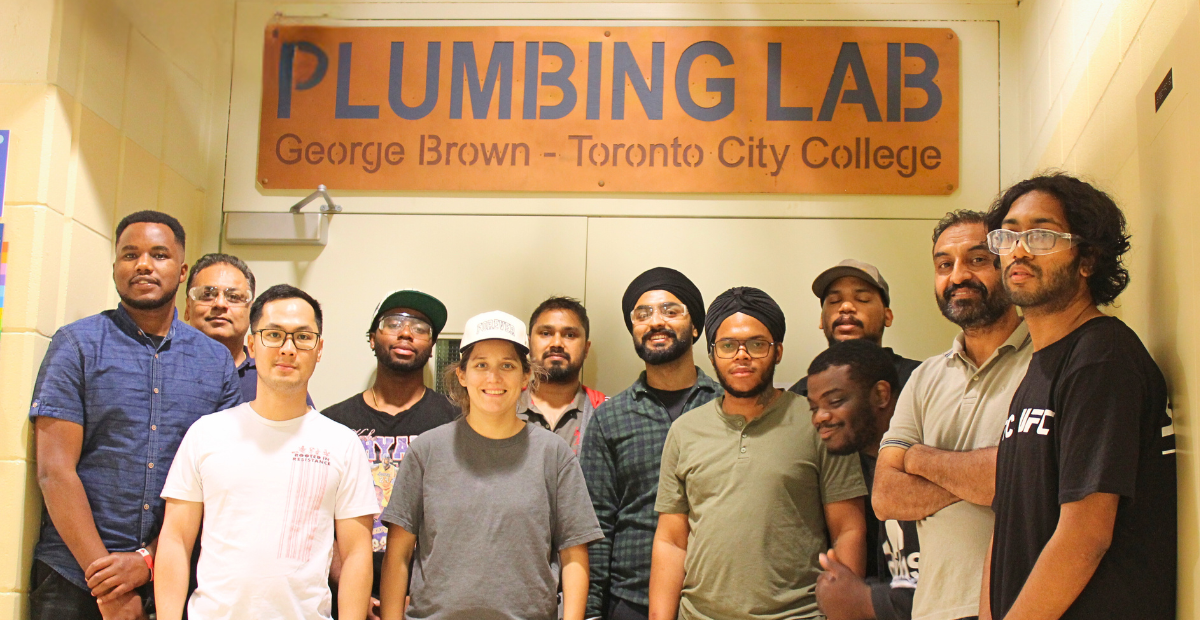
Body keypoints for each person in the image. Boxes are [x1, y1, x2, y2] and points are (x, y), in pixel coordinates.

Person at [28, 211, 242, 620]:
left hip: (169, 575)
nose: (143, 264)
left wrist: (146, 562)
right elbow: (54, 471)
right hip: (72, 576)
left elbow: (217, 486)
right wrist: (107, 584)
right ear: (115, 268)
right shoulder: (76, 345)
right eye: (130, 254)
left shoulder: (215, 363)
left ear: (181, 272)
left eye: (158, 255)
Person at [981, 174, 1175, 619]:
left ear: (1087, 259)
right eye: (1008, 234)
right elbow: (1007, 524)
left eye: (1041, 235)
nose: (1019, 249)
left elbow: (1085, 537)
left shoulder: (1102, 358)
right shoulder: (1040, 367)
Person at [155, 284, 379, 620]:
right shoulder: (207, 433)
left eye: (303, 337)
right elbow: (175, 540)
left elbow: (357, 554)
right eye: (274, 334)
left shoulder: (342, 443)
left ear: (319, 349)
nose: (288, 348)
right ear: (252, 344)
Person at [650, 287, 867, 620]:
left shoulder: (818, 423)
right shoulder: (684, 431)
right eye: (727, 345)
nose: (741, 355)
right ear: (711, 355)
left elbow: (848, 529)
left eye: (756, 344)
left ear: (777, 351)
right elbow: (671, 542)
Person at [378, 311, 603, 620]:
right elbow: (398, 556)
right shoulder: (426, 452)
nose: (493, 378)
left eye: (507, 366)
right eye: (481, 364)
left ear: (525, 376)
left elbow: (574, 556)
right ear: (462, 374)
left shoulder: (554, 455)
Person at [872, 210, 1032, 620]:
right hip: (933, 609)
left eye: (977, 259)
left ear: (1007, 264)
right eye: (945, 265)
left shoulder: (1046, 362)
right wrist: (984, 478)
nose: (958, 276)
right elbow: (886, 496)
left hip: (1018, 605)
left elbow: (1024, 476)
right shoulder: (925, 377)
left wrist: (919, 459)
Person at [581, 267, 721, 620]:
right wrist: (592, 612)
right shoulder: (610, 417)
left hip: (716, 600)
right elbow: (595, 523)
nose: (655, 321)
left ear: (695, 326)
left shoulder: (727, 406)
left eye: (671, 311)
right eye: (643, 314)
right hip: (631, 601)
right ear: (633, 330)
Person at [321, 290, 458, 608]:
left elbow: (464, 519)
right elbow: (316, 515)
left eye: (421, 327)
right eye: (393, 322)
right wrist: (351, 585)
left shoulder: (456, 423)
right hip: (343, 594)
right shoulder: (331, 424)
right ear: (371, 338)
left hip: (430, 599)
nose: (407, 333)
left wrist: (422, 592)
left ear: (432, 346)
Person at [807, 340, 919, 620]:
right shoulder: (861, 469)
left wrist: (865, 599)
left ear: (881, 395)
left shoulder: (926, 460)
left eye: (835, 401)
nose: (820, 417)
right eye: (813, 407)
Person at [184, 253, 314, 407]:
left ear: (251, 313)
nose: (220, 304)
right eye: (207, 295)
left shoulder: (272, 374)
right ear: (187, 307)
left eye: (233, 296)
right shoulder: (165, 367)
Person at [790, 260, 921, 397]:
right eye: (834, 300)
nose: (846, 307)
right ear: (822, 319)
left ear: (887, 316)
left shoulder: (920, 380)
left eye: (862, 299)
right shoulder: (799, 396)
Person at [519, 296, 607, 454]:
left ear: (586, 348)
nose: (557, 343)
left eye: (570, 335)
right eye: (546, 333)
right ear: (529, 344)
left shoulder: (607, 412)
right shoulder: (504, 406)